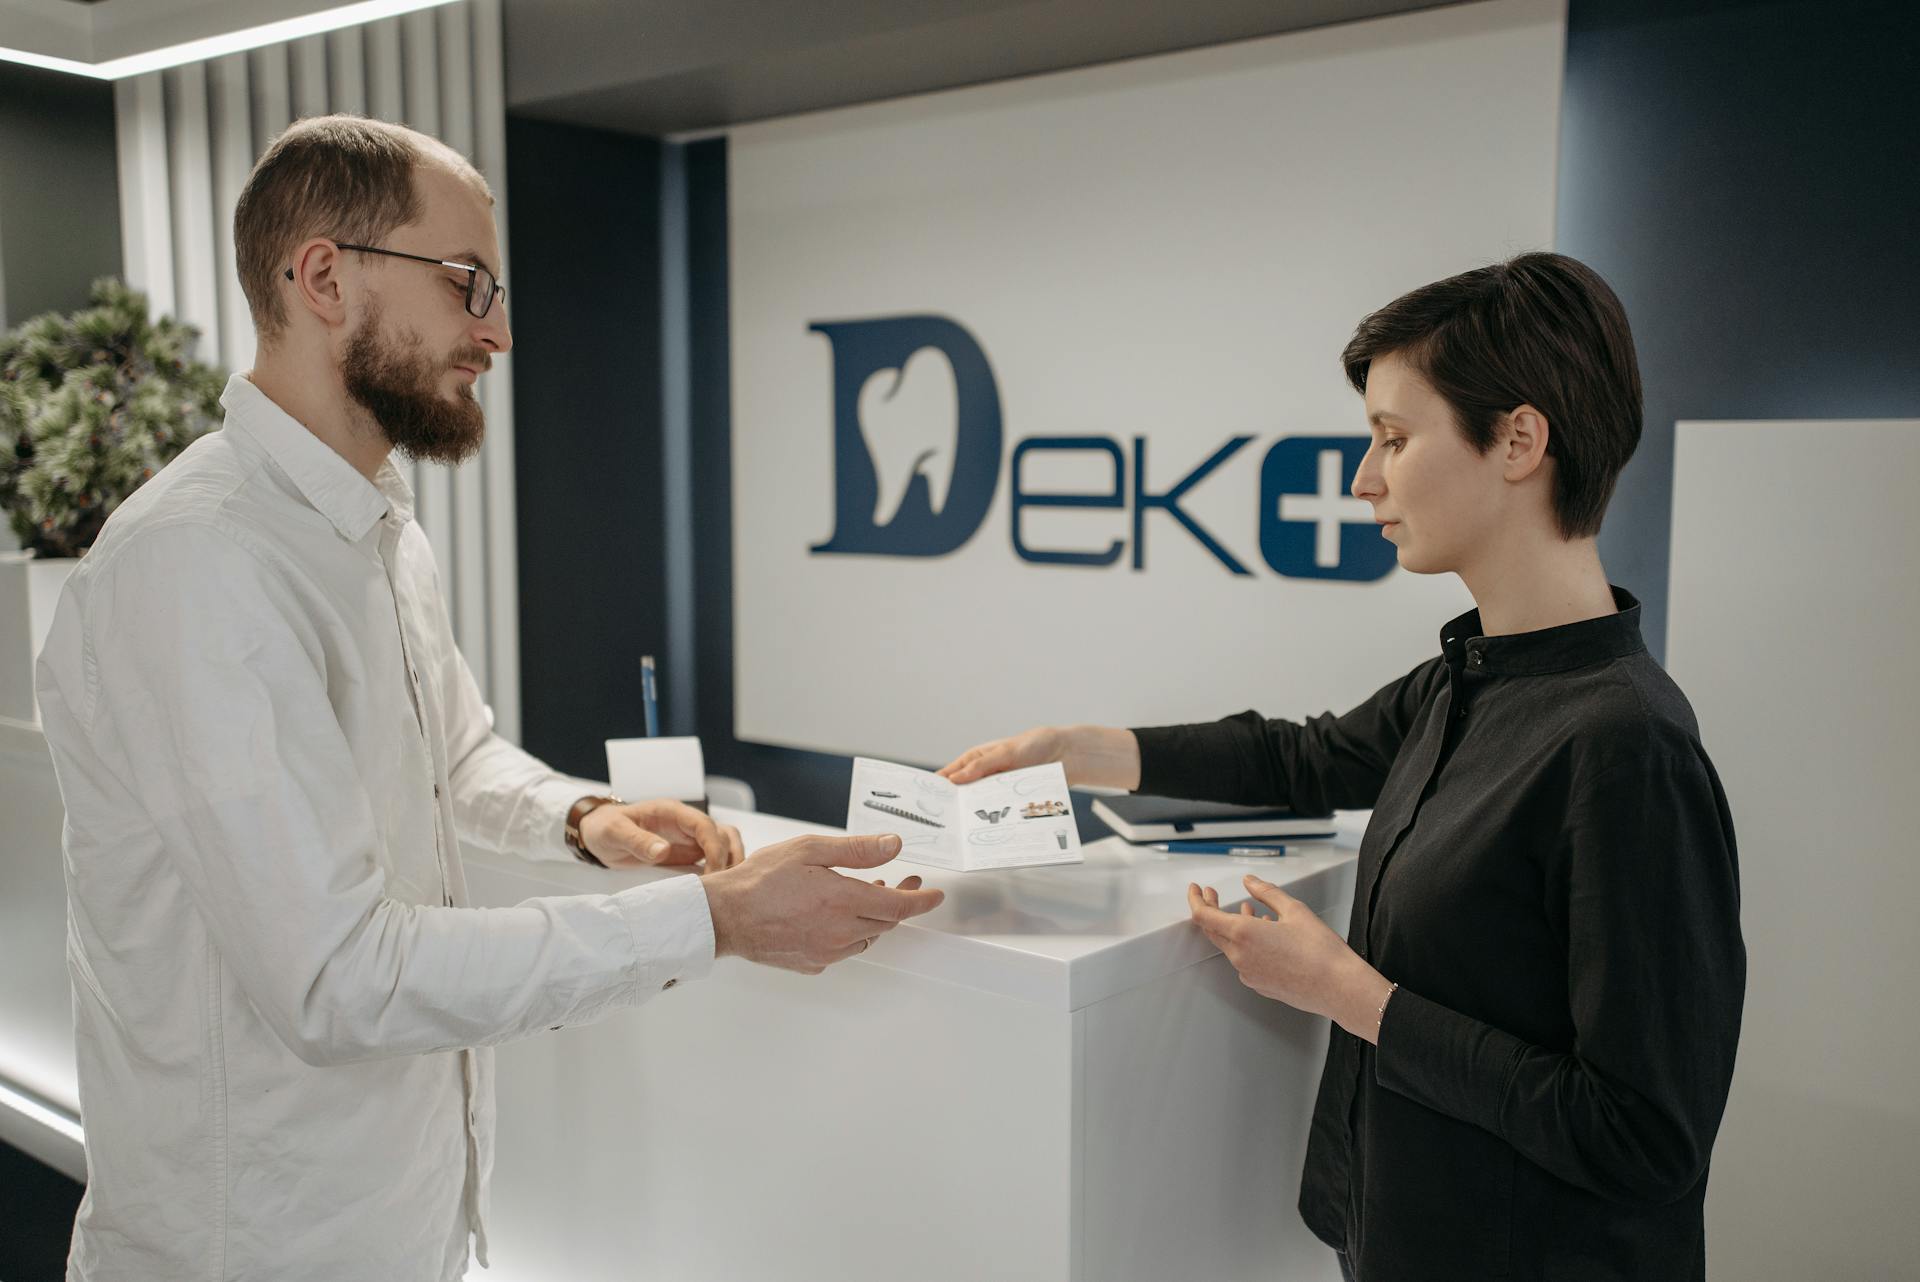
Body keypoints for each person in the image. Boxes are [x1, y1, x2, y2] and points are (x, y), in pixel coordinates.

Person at [34, 114, 943, 1282]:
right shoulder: (200, 561)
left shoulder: (373, 528)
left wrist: (582, 819)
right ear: (322, 276)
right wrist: (713, 920)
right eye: (468, 284)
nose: (499, 330)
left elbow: (454, 762)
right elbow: (335, 978)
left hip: (402, 1233)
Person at [939, 253, 1745, 1281]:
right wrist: (1081, 751)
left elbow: (1645, 1135)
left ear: (1519, 440)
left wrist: (1348, 992)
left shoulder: (1629, 750)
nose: (1365, 479)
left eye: (1394, 441)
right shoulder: (1464, 678)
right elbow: (1305, 755)